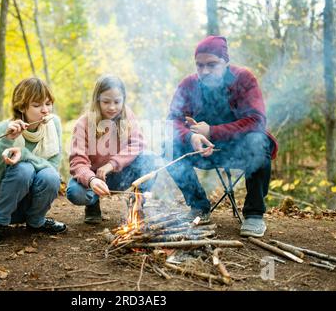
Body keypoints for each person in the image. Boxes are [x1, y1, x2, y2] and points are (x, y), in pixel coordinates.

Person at [166, 36, 278, 238]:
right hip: (203, 150)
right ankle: (198, 206)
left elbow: (256, 120)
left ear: (226, 62)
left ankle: (254, 214)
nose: (204, 71)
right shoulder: (189, 84)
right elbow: (172, 120)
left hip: (239, 150)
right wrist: (190, 137)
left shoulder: (243, 78)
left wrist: (211, 131)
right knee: (168, 146)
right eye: (199, 65)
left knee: (258, 140)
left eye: (212, 65)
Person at [0, 77, 67, 244]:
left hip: (28, 205)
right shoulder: (3, 129)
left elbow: (53, 168)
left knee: (50, 176)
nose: (45, 110)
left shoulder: (54, 125)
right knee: (23, 169)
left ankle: (36, 222)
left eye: (48, 103)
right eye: (37, 105)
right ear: (22, 107)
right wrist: (6, 141)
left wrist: (24, 154)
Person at [66, 74, 157, 224]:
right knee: (76, 193)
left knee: (150, 158)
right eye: (106, 102)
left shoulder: (127, 116)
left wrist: (112, 164)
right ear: (97, 100)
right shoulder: (83, 123)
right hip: (94, 178)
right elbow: (78, 162)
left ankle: (136, 205)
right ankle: (92, 205)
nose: (112, 107)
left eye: (117, 101)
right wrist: (91, 180)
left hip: (120, 174)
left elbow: (137, 144)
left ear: (123, 100)